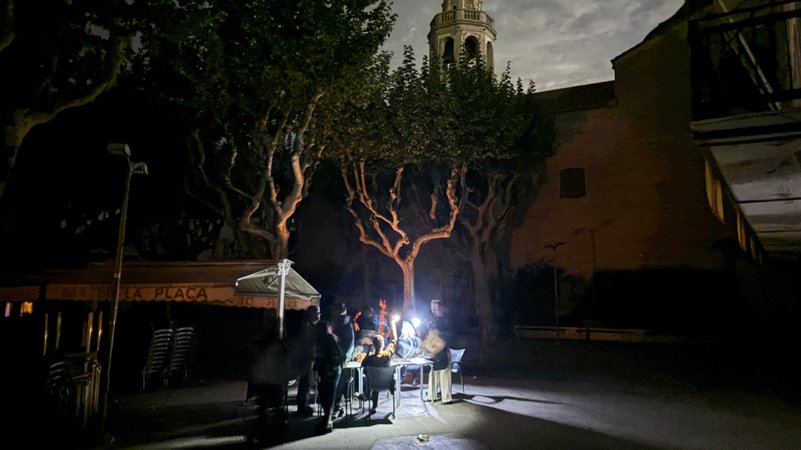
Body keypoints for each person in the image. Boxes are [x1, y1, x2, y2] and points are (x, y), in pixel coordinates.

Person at [353, 317, 398, 413]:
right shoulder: (387, 354)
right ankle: (373, 404)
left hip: (372, 385)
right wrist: (393, 324)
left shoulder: (369, 359)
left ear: (373, 345)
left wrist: (369, 349)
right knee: (377, 374)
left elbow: (362, 364)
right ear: (383, 345)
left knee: (372, 376)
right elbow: (394, 339)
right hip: (386, 384)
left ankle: (366, 396)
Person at [313, 320, 346, 434]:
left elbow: (330, 356)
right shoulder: (327, 339)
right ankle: (327, 420)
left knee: (328, 396)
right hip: (329, 371)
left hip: (330, 372)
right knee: (325, 395)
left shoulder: (328, 339)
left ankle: (327, 421)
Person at [292, 305, 320, 416]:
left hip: (306, 357)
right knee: (305, 383)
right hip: (306, 358)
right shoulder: (307, 326)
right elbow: (308, 343)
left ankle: (303, 405)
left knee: (306, 383)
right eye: (317, 313)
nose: (319, 315)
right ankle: (302, 407)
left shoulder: (308, 325)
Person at [329, 302, 355, 418]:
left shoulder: (344, 323)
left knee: (337, 385)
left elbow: (349, 343)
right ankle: (335, 407)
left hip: (340, 358)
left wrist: (342, 356)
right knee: (336, 385)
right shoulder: (342, 322)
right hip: (338, 357)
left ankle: (336, 407)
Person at [417, 319, 452, 404]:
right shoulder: (422, 337)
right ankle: (432, 396)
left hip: (443, 356)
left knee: (444, 376)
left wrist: (432, 352)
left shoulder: (431, 333)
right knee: (432, 375)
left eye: (417, 329)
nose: (416, 331)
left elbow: (441, 344)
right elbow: (422, 348)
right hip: (434, 358)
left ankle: (447, 399)